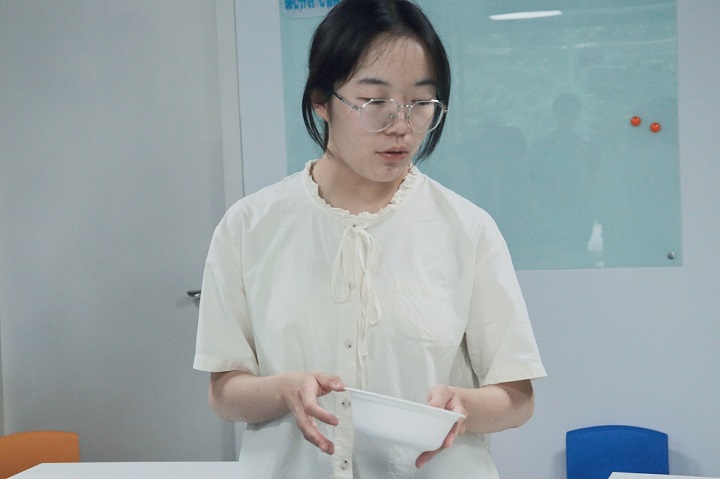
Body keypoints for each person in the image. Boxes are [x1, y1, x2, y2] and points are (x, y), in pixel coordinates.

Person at [193, 0, 546, 477]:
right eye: (375, 102)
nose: (401, 126)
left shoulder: (467, 228)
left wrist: (464, 405)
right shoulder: (249, 226)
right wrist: (282, 390)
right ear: (321, 100)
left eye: (420, 103)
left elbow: (518, 396)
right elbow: (224, 392)